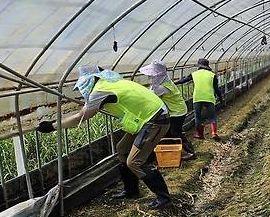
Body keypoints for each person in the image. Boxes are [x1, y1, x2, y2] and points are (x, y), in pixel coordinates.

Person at [37, 65, 172, 209]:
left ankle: (163, 197)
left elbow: (81, 117)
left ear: (89, 80)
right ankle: (131, 190)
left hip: (156, 119)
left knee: (134, 161)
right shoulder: (110, 83)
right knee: (122, 150)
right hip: (146, 118)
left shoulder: (100, 90)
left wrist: (52, 126)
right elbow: (86, 109)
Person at [139, 60, 195, 160]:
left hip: (177, 112)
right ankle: (178, 151)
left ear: (158, 75)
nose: (151, 78)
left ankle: (188, 152)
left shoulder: (162, 87)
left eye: (152, 76)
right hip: (178, 110)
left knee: (174, 133)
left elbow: (149, 95)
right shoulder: (165, 82)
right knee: (173, 132)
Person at [175, 58, 224, 140]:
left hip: (197, 98)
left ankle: (199, 134)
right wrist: (221, 98)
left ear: (199, 66)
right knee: (212, 117)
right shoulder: (212, 75)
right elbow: (216, 89)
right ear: (207, 66)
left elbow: (183, 81)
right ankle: (214, 133)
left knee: (198, 117)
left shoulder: (194, 74)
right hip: (209, 98)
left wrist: (174, 83)